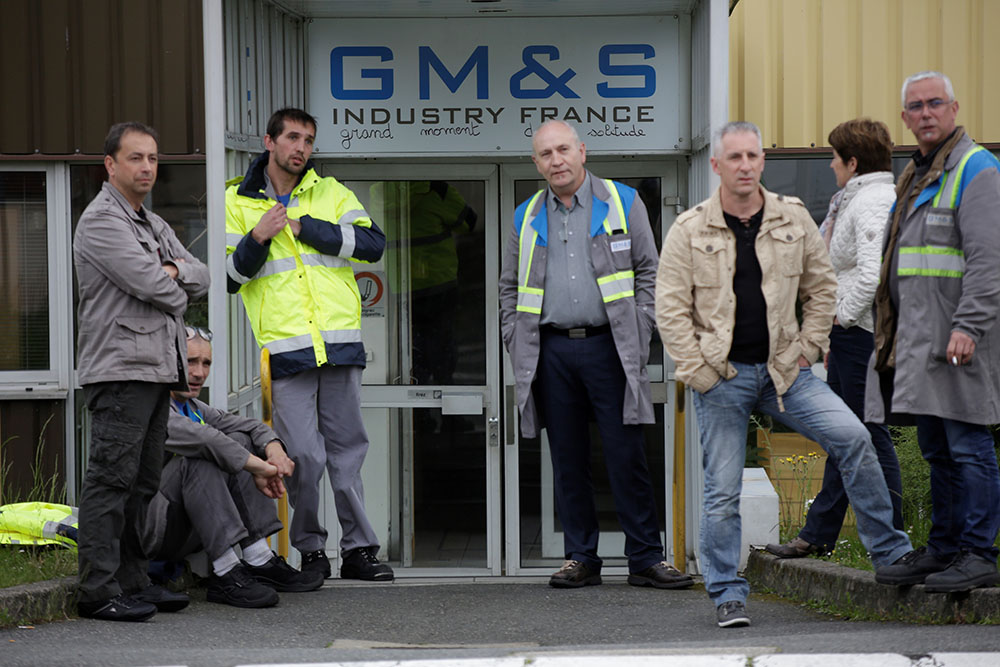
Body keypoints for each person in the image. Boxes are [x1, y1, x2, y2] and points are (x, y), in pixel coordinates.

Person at [655, 121, 913, 628]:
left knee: (854, 438)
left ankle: (890, 554)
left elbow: (822, 289)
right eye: (735, 158)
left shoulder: (792, 219)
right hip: (721, 377)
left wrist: (809, 346)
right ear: (717, 165)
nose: (745, 165)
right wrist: (699, 373)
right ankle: (728, 592)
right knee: (721, 490)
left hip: (785, 374)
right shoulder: (689, 229)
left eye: (753, 156)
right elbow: (670, 310)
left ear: (762, 162)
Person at [499, 119, 692, 591]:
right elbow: (508, 287)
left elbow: (651, 272)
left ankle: (645, 557)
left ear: (582, 151)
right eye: (546, 154)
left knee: (627, 455)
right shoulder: (526, 215)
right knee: (567, 459)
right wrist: (514, 335)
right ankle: (581, 557)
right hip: (553, 352)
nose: (556, 160)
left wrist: (642, 326)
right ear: (536, 162)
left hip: (611, 347)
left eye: (563, 149)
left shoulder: (622, 202)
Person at [225, 108, 392, 582]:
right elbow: (233, 278)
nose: (301, 148)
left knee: (348, 452)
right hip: (286, 351)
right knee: (303, 459)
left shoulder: (332, 192)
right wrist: (259, 236)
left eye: (308, 140)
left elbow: (373, 244)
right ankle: (311, 550)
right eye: (293, 137)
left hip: (339, 346)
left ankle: (359, 551)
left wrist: (305, 227)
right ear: (269, 141)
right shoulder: (235, 201)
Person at [866, 72, 1000, 592]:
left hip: (959, 341)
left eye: (934, 104)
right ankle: (945, 549)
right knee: (938, 450)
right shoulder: (919, 173)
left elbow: (989, 260)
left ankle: (978, 552)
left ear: (954, 107)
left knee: (969, 445)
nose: (925, 113)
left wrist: (969, 325)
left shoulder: (976, 168)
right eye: (915, 107)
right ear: (904, 118)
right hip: (921, 342)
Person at [74, 121, 210, 622]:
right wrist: (174, 277)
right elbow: (159, 286)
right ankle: (97, 589)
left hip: (155, 368)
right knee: (111, 480)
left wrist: (175, 274)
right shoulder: (101, 222)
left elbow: (202, 273)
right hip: (120, 369)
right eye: (136, 158)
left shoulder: (150, 223)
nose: (147, 167)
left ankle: (132, 581)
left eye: (153, 158)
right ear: (110, 165)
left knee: (142, 484)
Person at [767, 118, 903, 558]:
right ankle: (821, 532)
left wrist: (836, 319)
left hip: (859, 335)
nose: (829, 166)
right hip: (850, 336)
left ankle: (894, 540)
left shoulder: (872, 202)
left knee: (867, 436)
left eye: (833, 158)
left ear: (852, 161)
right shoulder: (858, 198)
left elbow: (871, 275)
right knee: (846, 435)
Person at [142, 326, 325, 608]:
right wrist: (258, 468)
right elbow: (205, 439)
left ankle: (258, 559)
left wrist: (274, 450)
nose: (199, 373)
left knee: (238, 439)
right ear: (168, 359)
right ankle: (226, 571)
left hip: (186, 530)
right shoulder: (151, 405)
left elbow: (249, 427)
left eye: (206, 363)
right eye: (190, 361)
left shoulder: (193, 407)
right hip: (151, 533)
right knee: (204, 455)